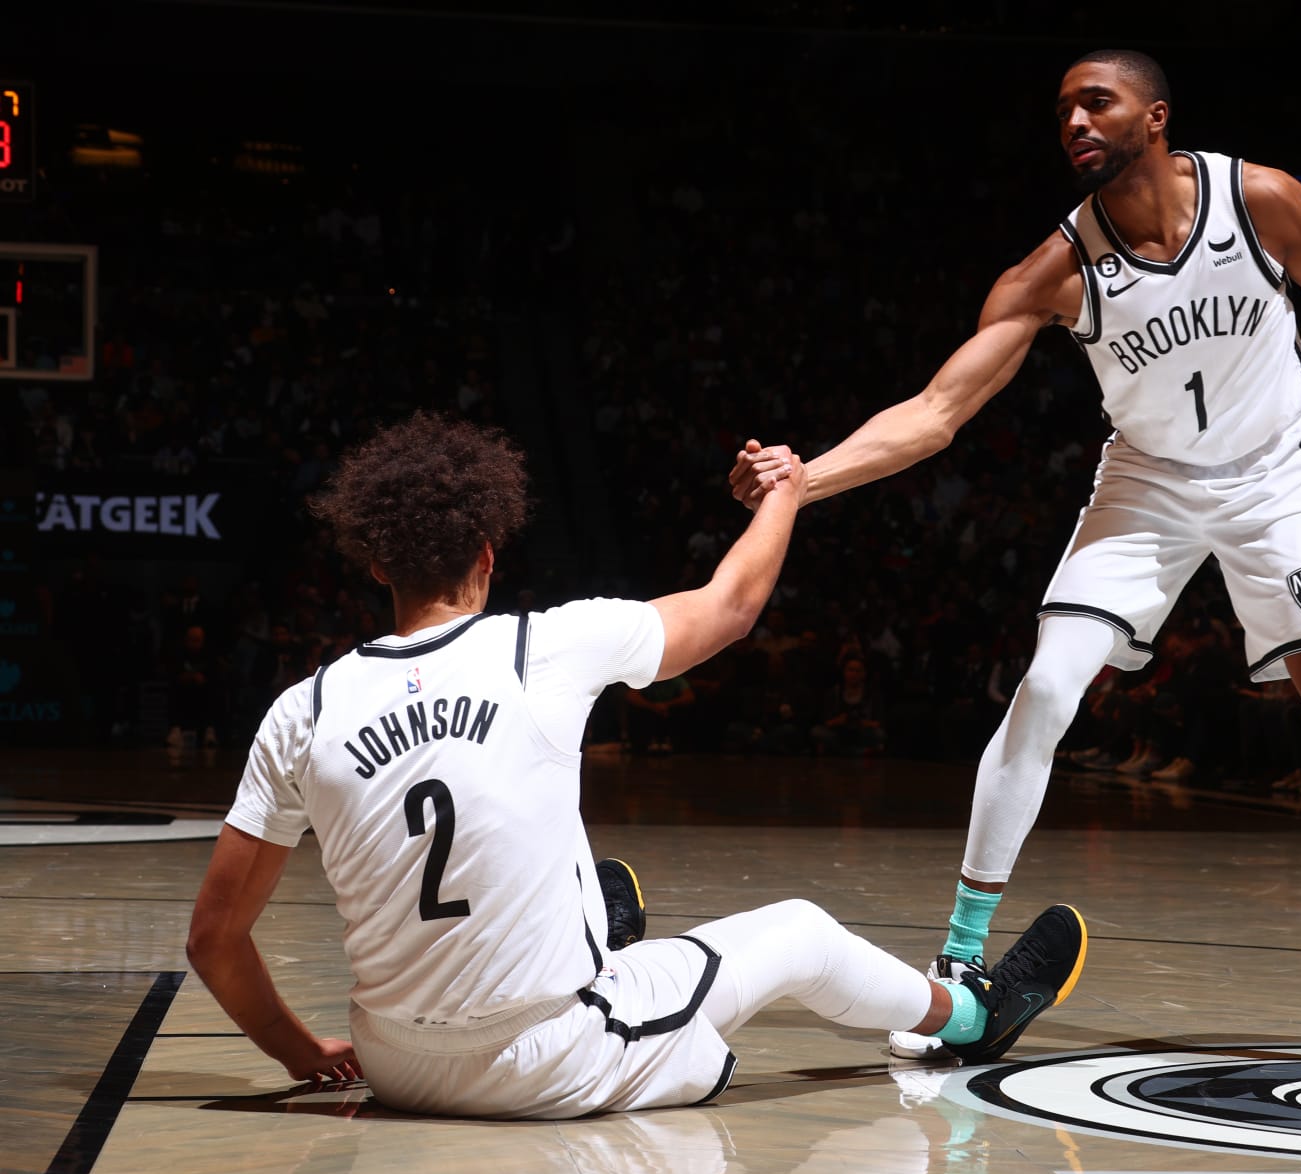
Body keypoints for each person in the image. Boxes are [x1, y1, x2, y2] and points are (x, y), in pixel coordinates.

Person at [728, 49, 1301, 1089]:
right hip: (1150, 484)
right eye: (1063, 108)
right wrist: (803, 478)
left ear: (1155, 116)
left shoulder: (1257, 198)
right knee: (1044, 686)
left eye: (1097, 101)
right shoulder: (1056, 269)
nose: (1074, 120)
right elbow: (937, 413)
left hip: (1280, 473)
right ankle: (959, 964)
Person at [185, 412, 1087, 1119]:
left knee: (565, 845)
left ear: (376, 561)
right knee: (803, 933)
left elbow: (214, 940)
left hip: (393, 1066)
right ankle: (974, 1018)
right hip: (546, 1061)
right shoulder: (545, 645)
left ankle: (595, 929)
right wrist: (789, 489)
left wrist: (303, 1056)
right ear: (490, 552)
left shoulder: (301, 708)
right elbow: (731, 607)